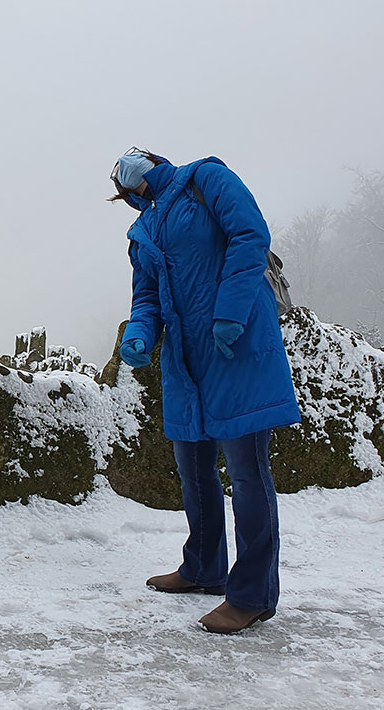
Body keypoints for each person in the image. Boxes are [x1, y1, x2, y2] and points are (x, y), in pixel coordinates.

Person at [111, 147, 300, 634]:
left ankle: (252, 595)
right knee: (193, 468)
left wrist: (232, 311)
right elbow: (148, 295)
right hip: (184, 360)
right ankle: (203, 567)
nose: (129, 173)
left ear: (155, 161)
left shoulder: (207, 179)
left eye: (133, 163)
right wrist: (140, 333)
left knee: (246, 472)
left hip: (235, 348)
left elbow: (249, 235)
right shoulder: (143, 230)